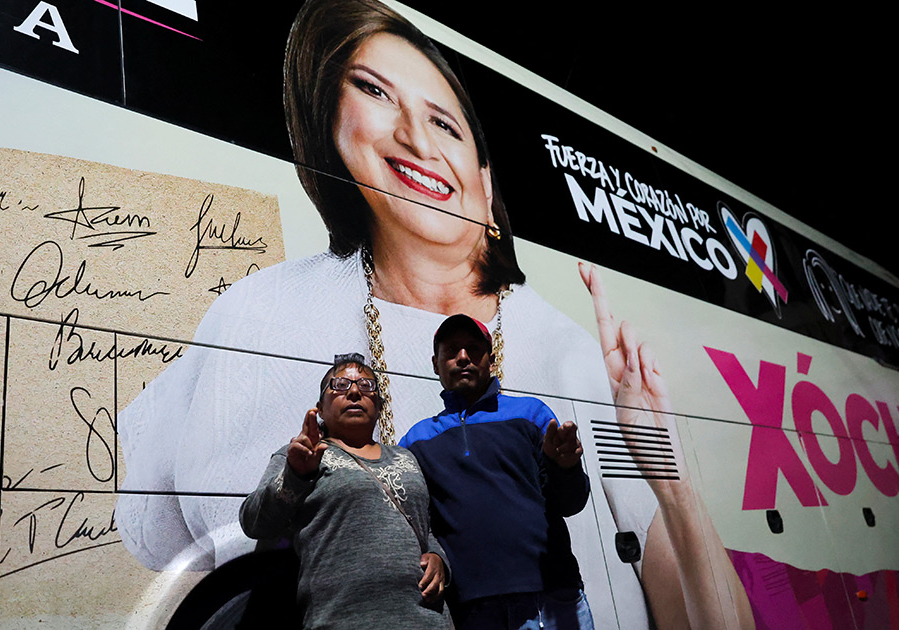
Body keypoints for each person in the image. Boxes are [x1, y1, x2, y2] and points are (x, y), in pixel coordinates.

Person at [116, 0, 754, 628]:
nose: (417, 139)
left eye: (445, 124)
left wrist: (669, 479)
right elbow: (173, 541)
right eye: (374, 91)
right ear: (331, 126)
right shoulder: (259, 315)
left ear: (485, 177)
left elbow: (701, 610)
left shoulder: (572, 354)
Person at [400, 315, 593, 629]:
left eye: (474, 349)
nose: (463, 357)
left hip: (550, 599)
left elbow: (569, 503)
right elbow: (412, 520)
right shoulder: (415, 441)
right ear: (435, 364)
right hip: (472, 611)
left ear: (491, 359)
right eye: (452, 350)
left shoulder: (532, 414)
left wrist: (566, 468)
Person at [239, 353, 451, 630]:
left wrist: (439, 560)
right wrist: (296, 475)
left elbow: (426, 527)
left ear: (379, 406)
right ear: (320, 407)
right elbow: (255, 523)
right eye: (339, 385)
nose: (353, 392)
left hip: (426, 618)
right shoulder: (301, 454)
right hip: (342, 619)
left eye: (366, 386)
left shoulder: (405, 457)